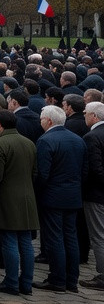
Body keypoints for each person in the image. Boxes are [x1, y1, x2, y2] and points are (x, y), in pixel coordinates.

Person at [0, 110, 36, 296]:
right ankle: (27, 282)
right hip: (27, 197)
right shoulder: (29, 143)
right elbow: (35, 172)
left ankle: (12, 282)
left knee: (9, 241)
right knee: (26, 242)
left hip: (7, 198)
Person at [34, 104, 85, 293]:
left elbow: (43, 174)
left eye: (41, 119)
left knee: (54, 238)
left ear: (48, 121)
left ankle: (57, 279)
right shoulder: (78, 140)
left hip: (52, 197)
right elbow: (84, 170)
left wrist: (38, 192)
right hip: (72, 195)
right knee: (70, 237)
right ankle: (72, 280)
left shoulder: (46, 140)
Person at [83, 101, 104, 291]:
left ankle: (102, 275)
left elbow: (95, 168)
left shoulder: (92, 137)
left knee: (98, 235)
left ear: (94, 117)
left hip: (97, 194)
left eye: (86, 113)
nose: (84, 116)